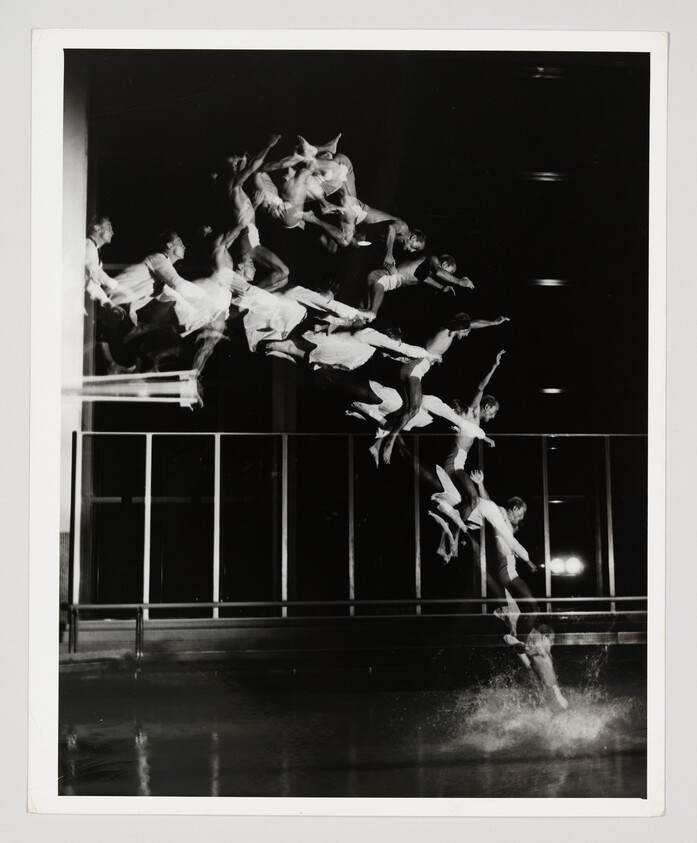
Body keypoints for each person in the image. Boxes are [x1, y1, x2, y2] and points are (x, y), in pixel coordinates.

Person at [467, 469, 568, 711]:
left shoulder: (507, 523)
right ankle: (517, 640)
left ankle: (518, 643)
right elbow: (491, 505)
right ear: (512, 510)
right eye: (519, 514)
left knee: (529, 619)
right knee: (532, 606)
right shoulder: (501, 514)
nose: (520, 519)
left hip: (509, 573)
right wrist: (481, 485)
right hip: (507, 572)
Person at [438, 350, 506, 526]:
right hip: (454, 462)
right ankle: (454, 533)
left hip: (459, 462)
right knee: (473, 499)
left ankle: (454, 531)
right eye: (493, 413)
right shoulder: (473, 411)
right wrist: (495, 366)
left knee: (469, 500)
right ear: (487, 406)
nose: (492, 417)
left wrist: (487, 439)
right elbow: (480, 388)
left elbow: (476, 432)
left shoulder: (477, 425)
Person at [214, 135, 290, 291]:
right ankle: (251, 296)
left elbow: (245, 214)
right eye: (236, 161)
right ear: (231, 169)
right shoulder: (232, 185)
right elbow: (252, 166)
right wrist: (268, 145)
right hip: (248, 239)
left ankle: (254, 296)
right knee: (283, 271)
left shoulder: (238, 190)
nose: (241, 162)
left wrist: (255, 205)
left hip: (250, 236)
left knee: (283, 279)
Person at [361, 253, 475, 318]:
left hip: (384, 283)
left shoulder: (425, 270)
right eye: (450, 272)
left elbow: (424, 278)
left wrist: (441, 288)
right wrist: (459, 281)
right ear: (444, 264)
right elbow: (439, 272)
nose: (448, 276)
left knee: (361, 317)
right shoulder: (432, 258)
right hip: (380, 278)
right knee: (371, 313)